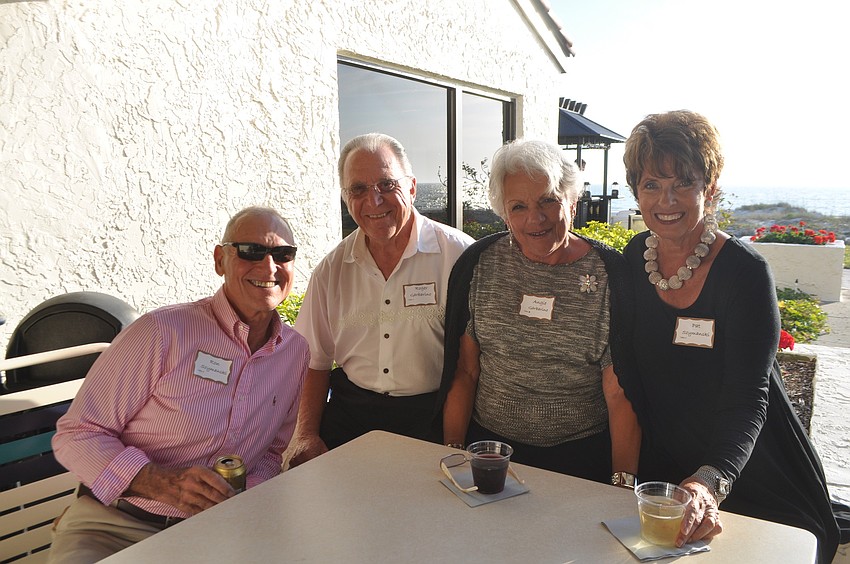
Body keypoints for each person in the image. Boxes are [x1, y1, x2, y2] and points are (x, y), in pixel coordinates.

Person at [620, 109, 844, 561]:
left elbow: (748, 398)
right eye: (652, 185)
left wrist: (709, 480)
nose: (667, 200)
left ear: (711, 186)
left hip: (748, 467)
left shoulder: (744, 273)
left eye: (683, 182)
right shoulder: (632, 259)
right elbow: (625, 372)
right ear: (636, 192)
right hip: (664, 464)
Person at [49, 207, 309, 563]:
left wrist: (247, 501)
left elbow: (269, 454)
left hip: (219, 533)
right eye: (250, 251)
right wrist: (160, 482)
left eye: (283, 254)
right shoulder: (161, 332)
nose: (268, 267)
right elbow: (76, 433)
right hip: (117, 526)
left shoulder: (293, 352)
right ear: (221, 260)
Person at [439, 138, 640, 484]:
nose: (535, 218)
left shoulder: (611, 274)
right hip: (489, 453)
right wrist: (454, 459)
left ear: (572, 202)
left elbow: (620, 393)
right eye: (518, 206)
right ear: (503, 213)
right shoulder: (479, 264)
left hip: (580, 457)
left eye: (549, 200)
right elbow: (465, 371)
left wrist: (622, 483)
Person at [289, 133, 474, 465]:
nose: (374, 201)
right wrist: (305, 435)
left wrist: (456, 442)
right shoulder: (331, 270)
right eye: (358, 189)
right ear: (346, 198)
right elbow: (313, 362)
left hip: (433, 418)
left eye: (387, 185)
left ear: (413, 187)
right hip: (351, 418)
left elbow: (478, 361)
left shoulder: (458, 255)